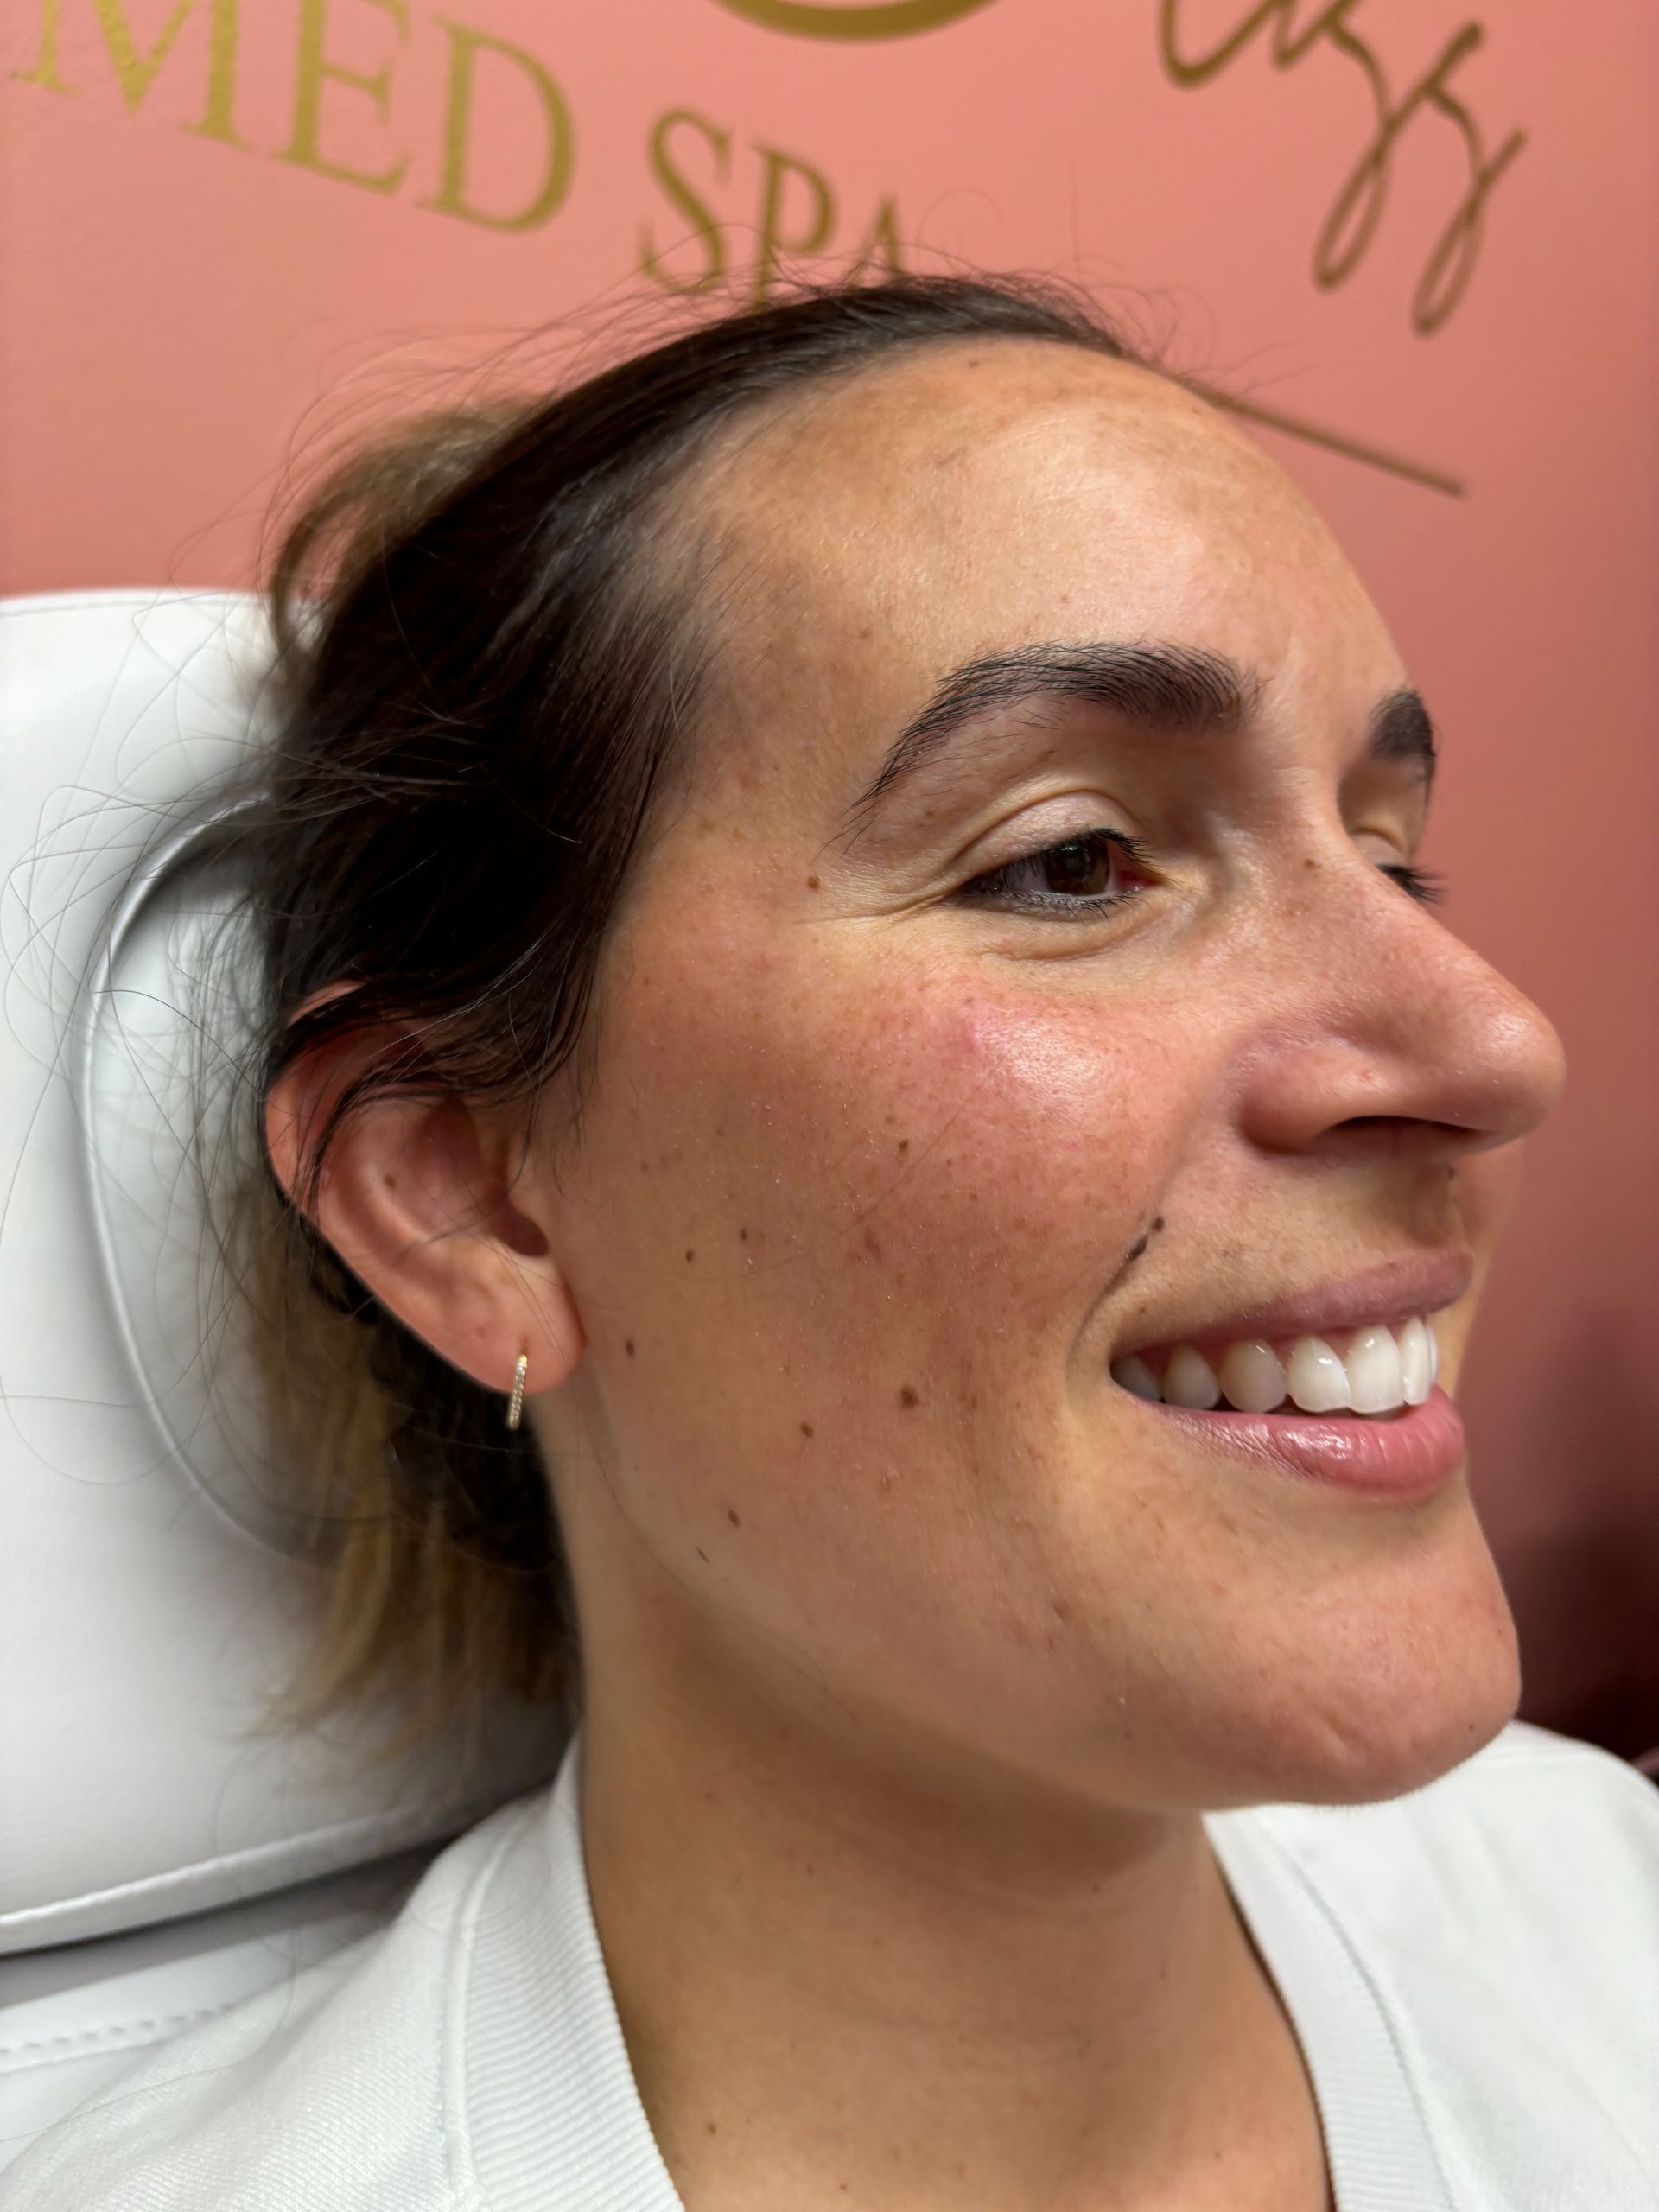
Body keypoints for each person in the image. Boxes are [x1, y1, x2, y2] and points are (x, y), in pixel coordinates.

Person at [9, 274, 1656, 2212]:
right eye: (1071, 859)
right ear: (474, 1194)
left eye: (1391, 854)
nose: (1495, 1043)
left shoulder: (1602, 1906)